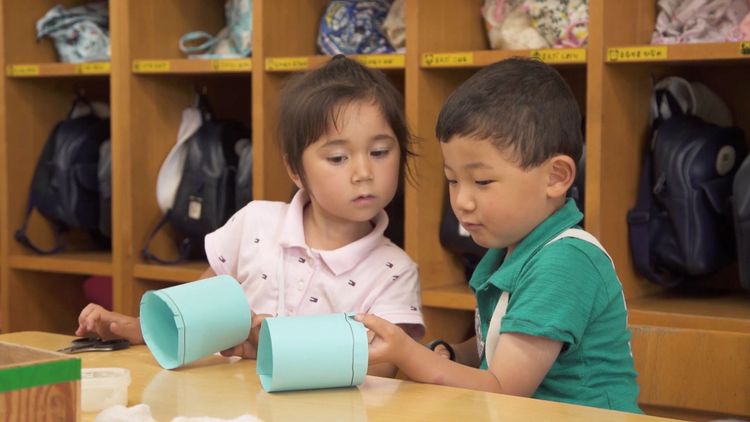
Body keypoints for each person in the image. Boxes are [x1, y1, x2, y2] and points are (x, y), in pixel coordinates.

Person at [77, 55, 424, 377]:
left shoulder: (395, 271)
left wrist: (274, 346)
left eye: (379, 152)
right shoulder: (256, 223)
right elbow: (197, 312)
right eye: (337, 158)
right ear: (295, 170)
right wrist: (138, 329)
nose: (363, 171)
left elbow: (383, 370)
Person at [357, 57, 642, 412]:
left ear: (556, 177)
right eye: (452, 180)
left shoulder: (564, 262)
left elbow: (503, 387)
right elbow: (495, 343)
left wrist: (408, 354)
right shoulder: (512, 250)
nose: (462, 201)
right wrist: (452, 353)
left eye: (482, 182)